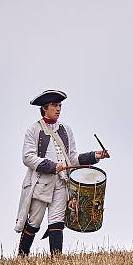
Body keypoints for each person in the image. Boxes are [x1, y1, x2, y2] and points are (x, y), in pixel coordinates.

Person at [16, 90, 110, 256]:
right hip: (41, 184)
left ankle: (56, 260)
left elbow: (72, 159)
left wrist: (95, 156)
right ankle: (22, 257)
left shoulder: (66, 130)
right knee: (34, 222)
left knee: (57, 221)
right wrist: (52, 166)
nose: (58, 109)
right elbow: (27, 157)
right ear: (45, 108)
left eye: (59, 105)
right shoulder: (34, 130)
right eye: (54, 105)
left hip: (61, 183)